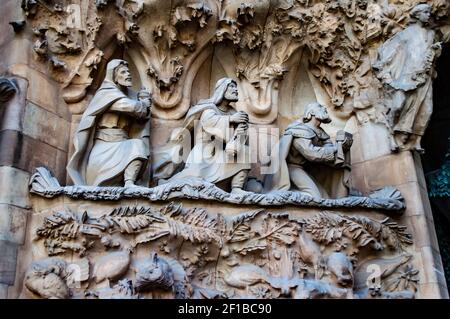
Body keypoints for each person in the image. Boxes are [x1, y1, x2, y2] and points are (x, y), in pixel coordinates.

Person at [156, 78, 251, 194]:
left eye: (236, 87)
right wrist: (232, 120)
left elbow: (240, 138)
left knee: (245, 152)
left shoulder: (233, 112)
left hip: (224, 153)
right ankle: (166, 183)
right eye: (231, 86)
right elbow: (210, 123)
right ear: (222, 90)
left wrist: (241, 127)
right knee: (190, 181)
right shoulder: (209, 109)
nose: (235, 89)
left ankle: (237, 188)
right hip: (205, 155)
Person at [67, 59, 152, 187]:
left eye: (128, 72)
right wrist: (143, 104)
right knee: (136, 145)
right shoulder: (107, 93)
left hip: (122, 146)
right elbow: (130, 107)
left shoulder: (127, 96)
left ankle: (129, 183)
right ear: (114, 75)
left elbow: (140, 116)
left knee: (138, 146)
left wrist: (144, 103)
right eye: (123, 72)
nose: (128, 74)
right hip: (104, 150)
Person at [372, 3, 441, 152]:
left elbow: (431, 55)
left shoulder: (431, 35)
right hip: (406, 78)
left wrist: (435, 53)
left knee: (426, 109)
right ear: (417, 15)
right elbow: (389, 52)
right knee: (398, 105)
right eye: (426, 12)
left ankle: (416, 139)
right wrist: (386, 75)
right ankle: (391, 135)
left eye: (429, 12)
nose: (429, 15)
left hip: (425, 77)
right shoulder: (406, 33)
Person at [264, 102, 352, 198]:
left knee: (325, 197)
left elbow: (329, 148)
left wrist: (341, 146)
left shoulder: (321, 132)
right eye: (320, 107)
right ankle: (285, 196)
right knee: (315, 196)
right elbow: (311, 153)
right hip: (291, 168)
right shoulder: (300, 130)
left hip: (304, 169)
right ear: (312, 112)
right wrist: (336, 148)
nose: (324, 109)